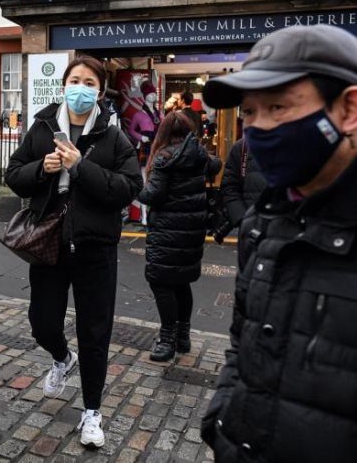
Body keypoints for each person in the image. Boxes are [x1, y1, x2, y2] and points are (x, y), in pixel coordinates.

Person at [200, 24, 357, 463]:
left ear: (348, 109)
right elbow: (242, 340)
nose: (258, 127)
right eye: (249, 112)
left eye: (278, 106)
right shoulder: (263, 221)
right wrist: (223, 419)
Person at [5, 56, 142, 448]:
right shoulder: (43, 127)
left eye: (89, 82)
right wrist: (42, 169)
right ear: (63, 85)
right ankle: (62, 358)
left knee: (94, 332)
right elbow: (14, 175)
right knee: (42, 322)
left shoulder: (112, 136)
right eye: (74, 80)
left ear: (100, 91)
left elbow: (129, 188)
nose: (80, 88)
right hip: (48, 241)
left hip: (95, 247)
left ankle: (92, 411)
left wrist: (81, 167)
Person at [138, 112, 221, 362]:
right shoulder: (199, 155)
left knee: (161, 281)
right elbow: (216, 165)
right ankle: (183, 337)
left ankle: (167, 339)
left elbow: (152, 195)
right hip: (192, 231)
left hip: (167, 230)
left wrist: (136, 189)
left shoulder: (165, 158)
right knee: (182, 282)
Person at [220, 137, 266, 228]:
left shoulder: (292, 144)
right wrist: (242, 219)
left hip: (287, 226)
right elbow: (229, 186)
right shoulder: (242, 147)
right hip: (251, 226)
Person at [128, 80, 161, 167]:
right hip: (145, 145)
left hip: (158, 145)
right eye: (150, 93)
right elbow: (130, 130)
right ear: (145, 96)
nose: (153, 95)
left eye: (154, 93)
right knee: (144, 168)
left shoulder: (159, 114)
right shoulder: (138, 115)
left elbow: (165, 128)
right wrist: (141, 137)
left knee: (157, 168)